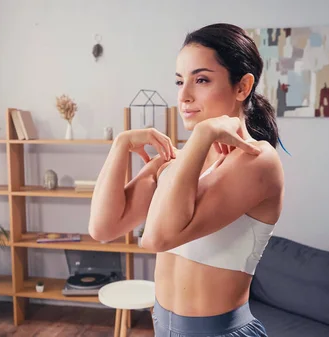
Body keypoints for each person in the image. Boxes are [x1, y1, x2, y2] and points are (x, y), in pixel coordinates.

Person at [89, 23, 284, 337]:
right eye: (180, 81)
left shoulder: (258, 162)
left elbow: (156, 238)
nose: (184, 96)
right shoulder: (179, 162)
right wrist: (120, 144)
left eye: (201, 79)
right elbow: (103, 228)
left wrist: (203, 135)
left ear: (242, 87)